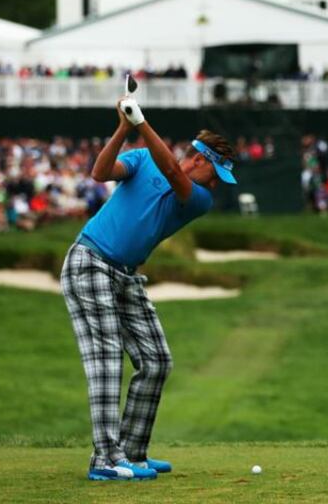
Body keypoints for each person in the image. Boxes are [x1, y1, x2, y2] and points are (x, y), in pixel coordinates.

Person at [60, 94, 237, 481]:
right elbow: (100, 172)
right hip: (89, 262)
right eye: (216, 174)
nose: (217, 185)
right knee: (107, 358)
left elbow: (174, 172)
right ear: (201, 160)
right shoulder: (141, 158)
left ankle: (133, 453)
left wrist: (141, 124)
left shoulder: (200, 198)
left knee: (157, 360)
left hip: (124, 275)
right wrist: (124, 129)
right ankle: (105, 459)